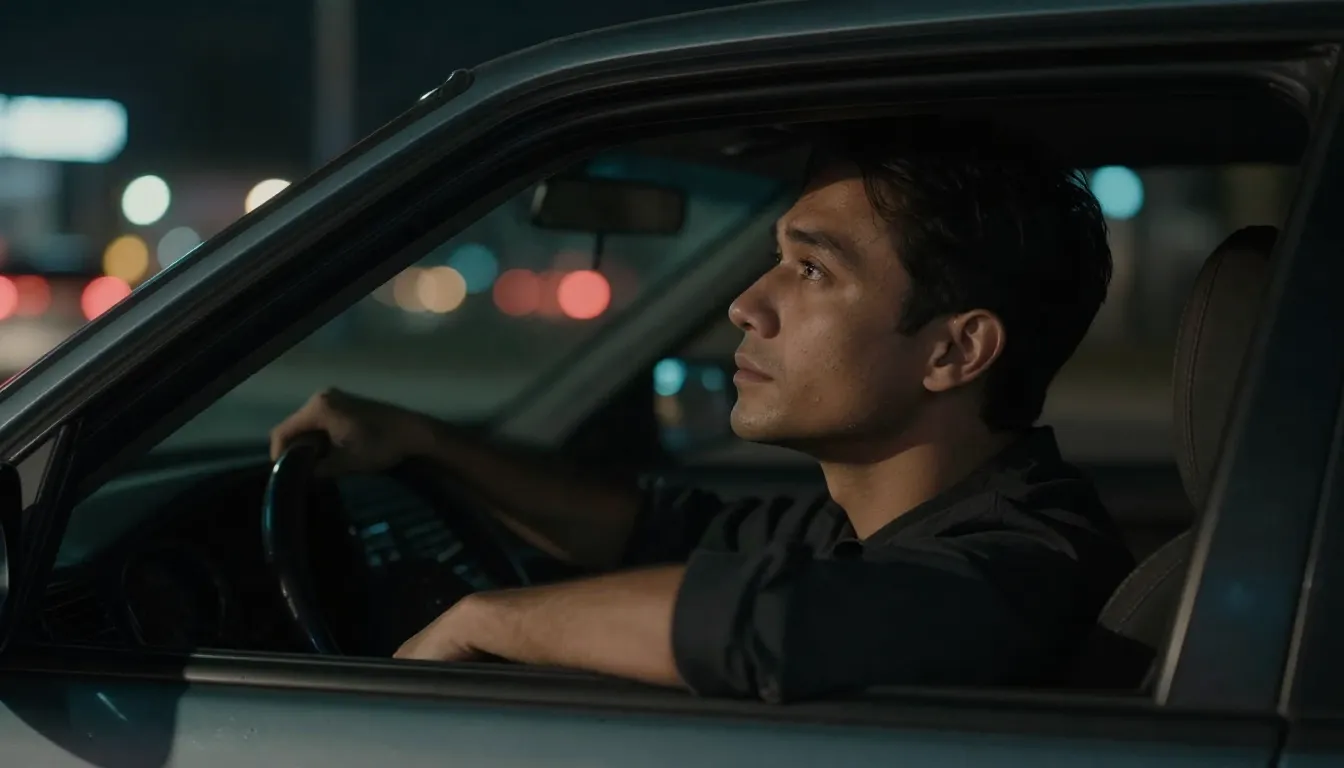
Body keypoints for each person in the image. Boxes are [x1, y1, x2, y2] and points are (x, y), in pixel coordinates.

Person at [270, 119, 1135, 703]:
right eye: (777, 259)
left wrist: (488, 621)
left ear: (954, 351)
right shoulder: (877, 521)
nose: (746, 305)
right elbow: (652, 530)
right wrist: (425, 441)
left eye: (812, 270)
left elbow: (767, 623)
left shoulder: (1028, 562)